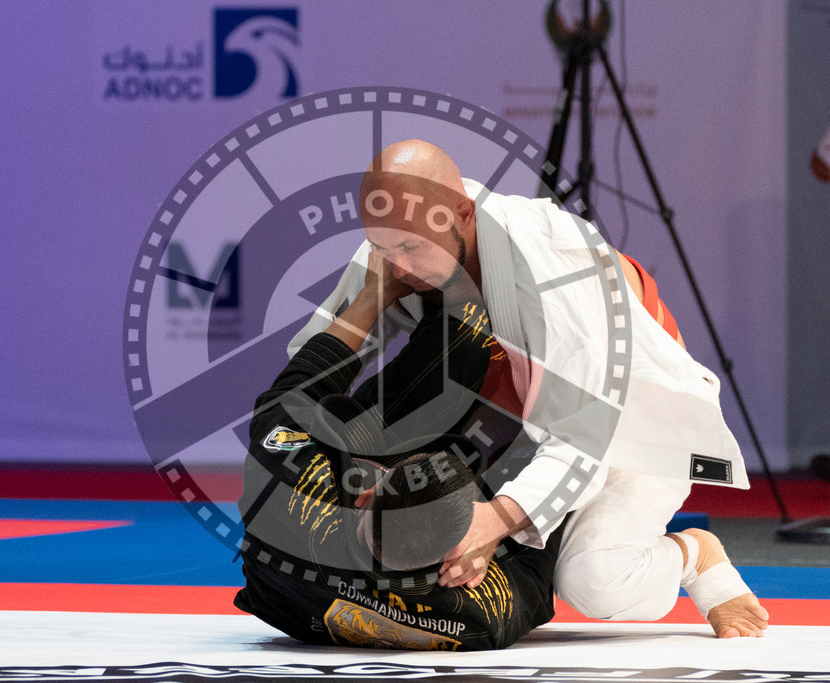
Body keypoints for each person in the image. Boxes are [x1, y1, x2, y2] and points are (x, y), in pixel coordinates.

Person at [286, 140, 770, 638]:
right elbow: (311, 365)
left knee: (596, 581)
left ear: (464, 213)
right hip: (513, 410)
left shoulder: (548, 269)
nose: (400, 268)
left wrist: (492, 522)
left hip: (628, 409)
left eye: (410, 250)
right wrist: (369, 302)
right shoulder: (398, 234)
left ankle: (695, 556)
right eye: (383, 249)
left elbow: (584, 438)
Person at [234, 249, 567, 650]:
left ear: (365, 492)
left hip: (290, 584)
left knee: (469, 330)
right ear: (462, 546)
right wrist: (498, 524)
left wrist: (374, 294)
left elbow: (294, 393)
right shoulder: (486, 611)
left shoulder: (294, 495)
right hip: (310, 582)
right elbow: (546, 522)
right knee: (550, 431)